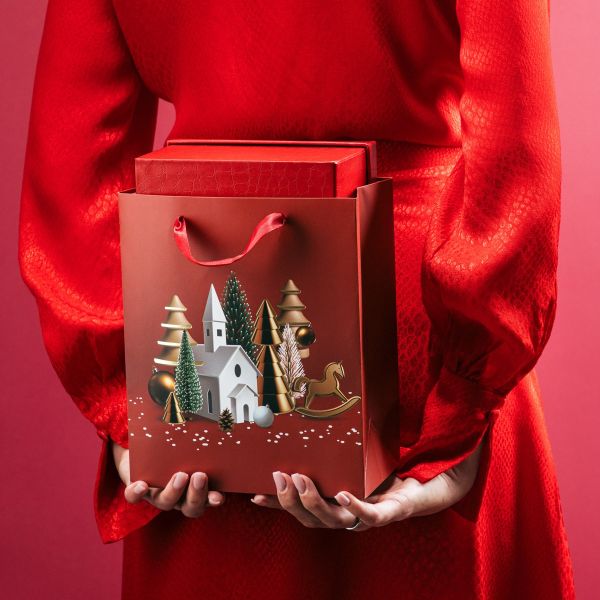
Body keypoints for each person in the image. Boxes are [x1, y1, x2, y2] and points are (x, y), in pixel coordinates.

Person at [18, 1, 575, 598]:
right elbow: (516, 143)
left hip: (200, 313)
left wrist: (130, 408)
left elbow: (71, 154)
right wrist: (463, 406)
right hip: (418, 331)